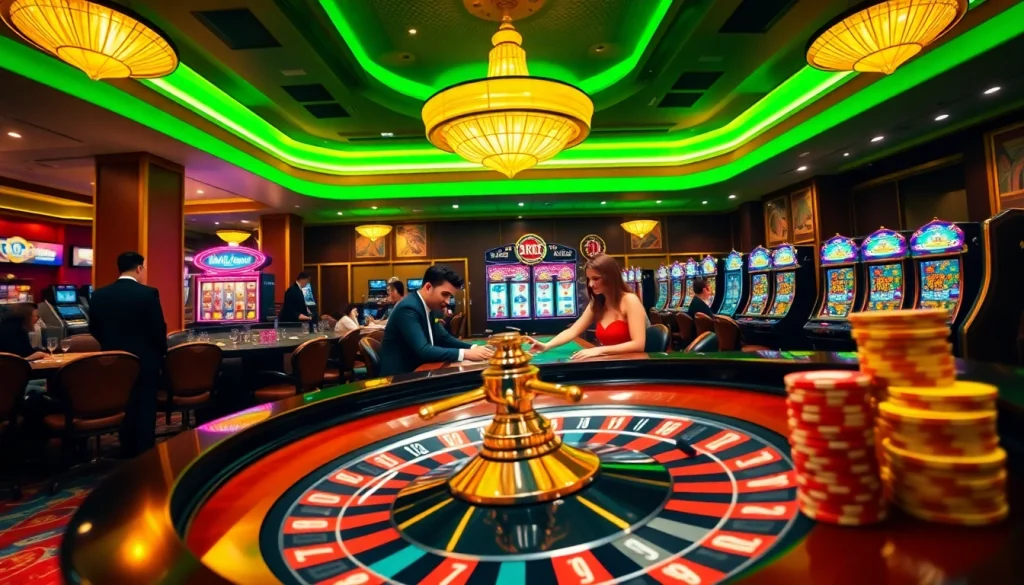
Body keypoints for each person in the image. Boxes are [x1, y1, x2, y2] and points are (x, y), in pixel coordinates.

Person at [90, 252, 167, 457]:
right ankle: (144, 454)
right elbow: (158, 329)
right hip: (144, 361)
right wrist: (161, 353)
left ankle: (125, 448)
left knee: (122, 405)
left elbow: (93, 329)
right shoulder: (148, 293)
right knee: (144, 409)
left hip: (113, 361)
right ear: (139, 268)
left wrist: (111, 347)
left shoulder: (99, 295)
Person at [527, 254, 646, 360]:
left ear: (611, 277)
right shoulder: (597, 303)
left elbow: (638, 345)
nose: (591, 284)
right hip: (609, 361)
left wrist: (598, 350)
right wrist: (546, 346)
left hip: (632, 365)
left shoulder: (630, 300)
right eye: (589, 279)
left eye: (596, 278)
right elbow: (573, 331)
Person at [379, 265, 493, 375]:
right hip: (399, 379)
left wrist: (473, 348)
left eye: (450, 297)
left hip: (419, 370)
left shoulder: (430, 307)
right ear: (428, 287)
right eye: (445, 294)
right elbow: (424, 350)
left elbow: (444, 338)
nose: (447, 302)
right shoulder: (408, 308)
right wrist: (465, 354)